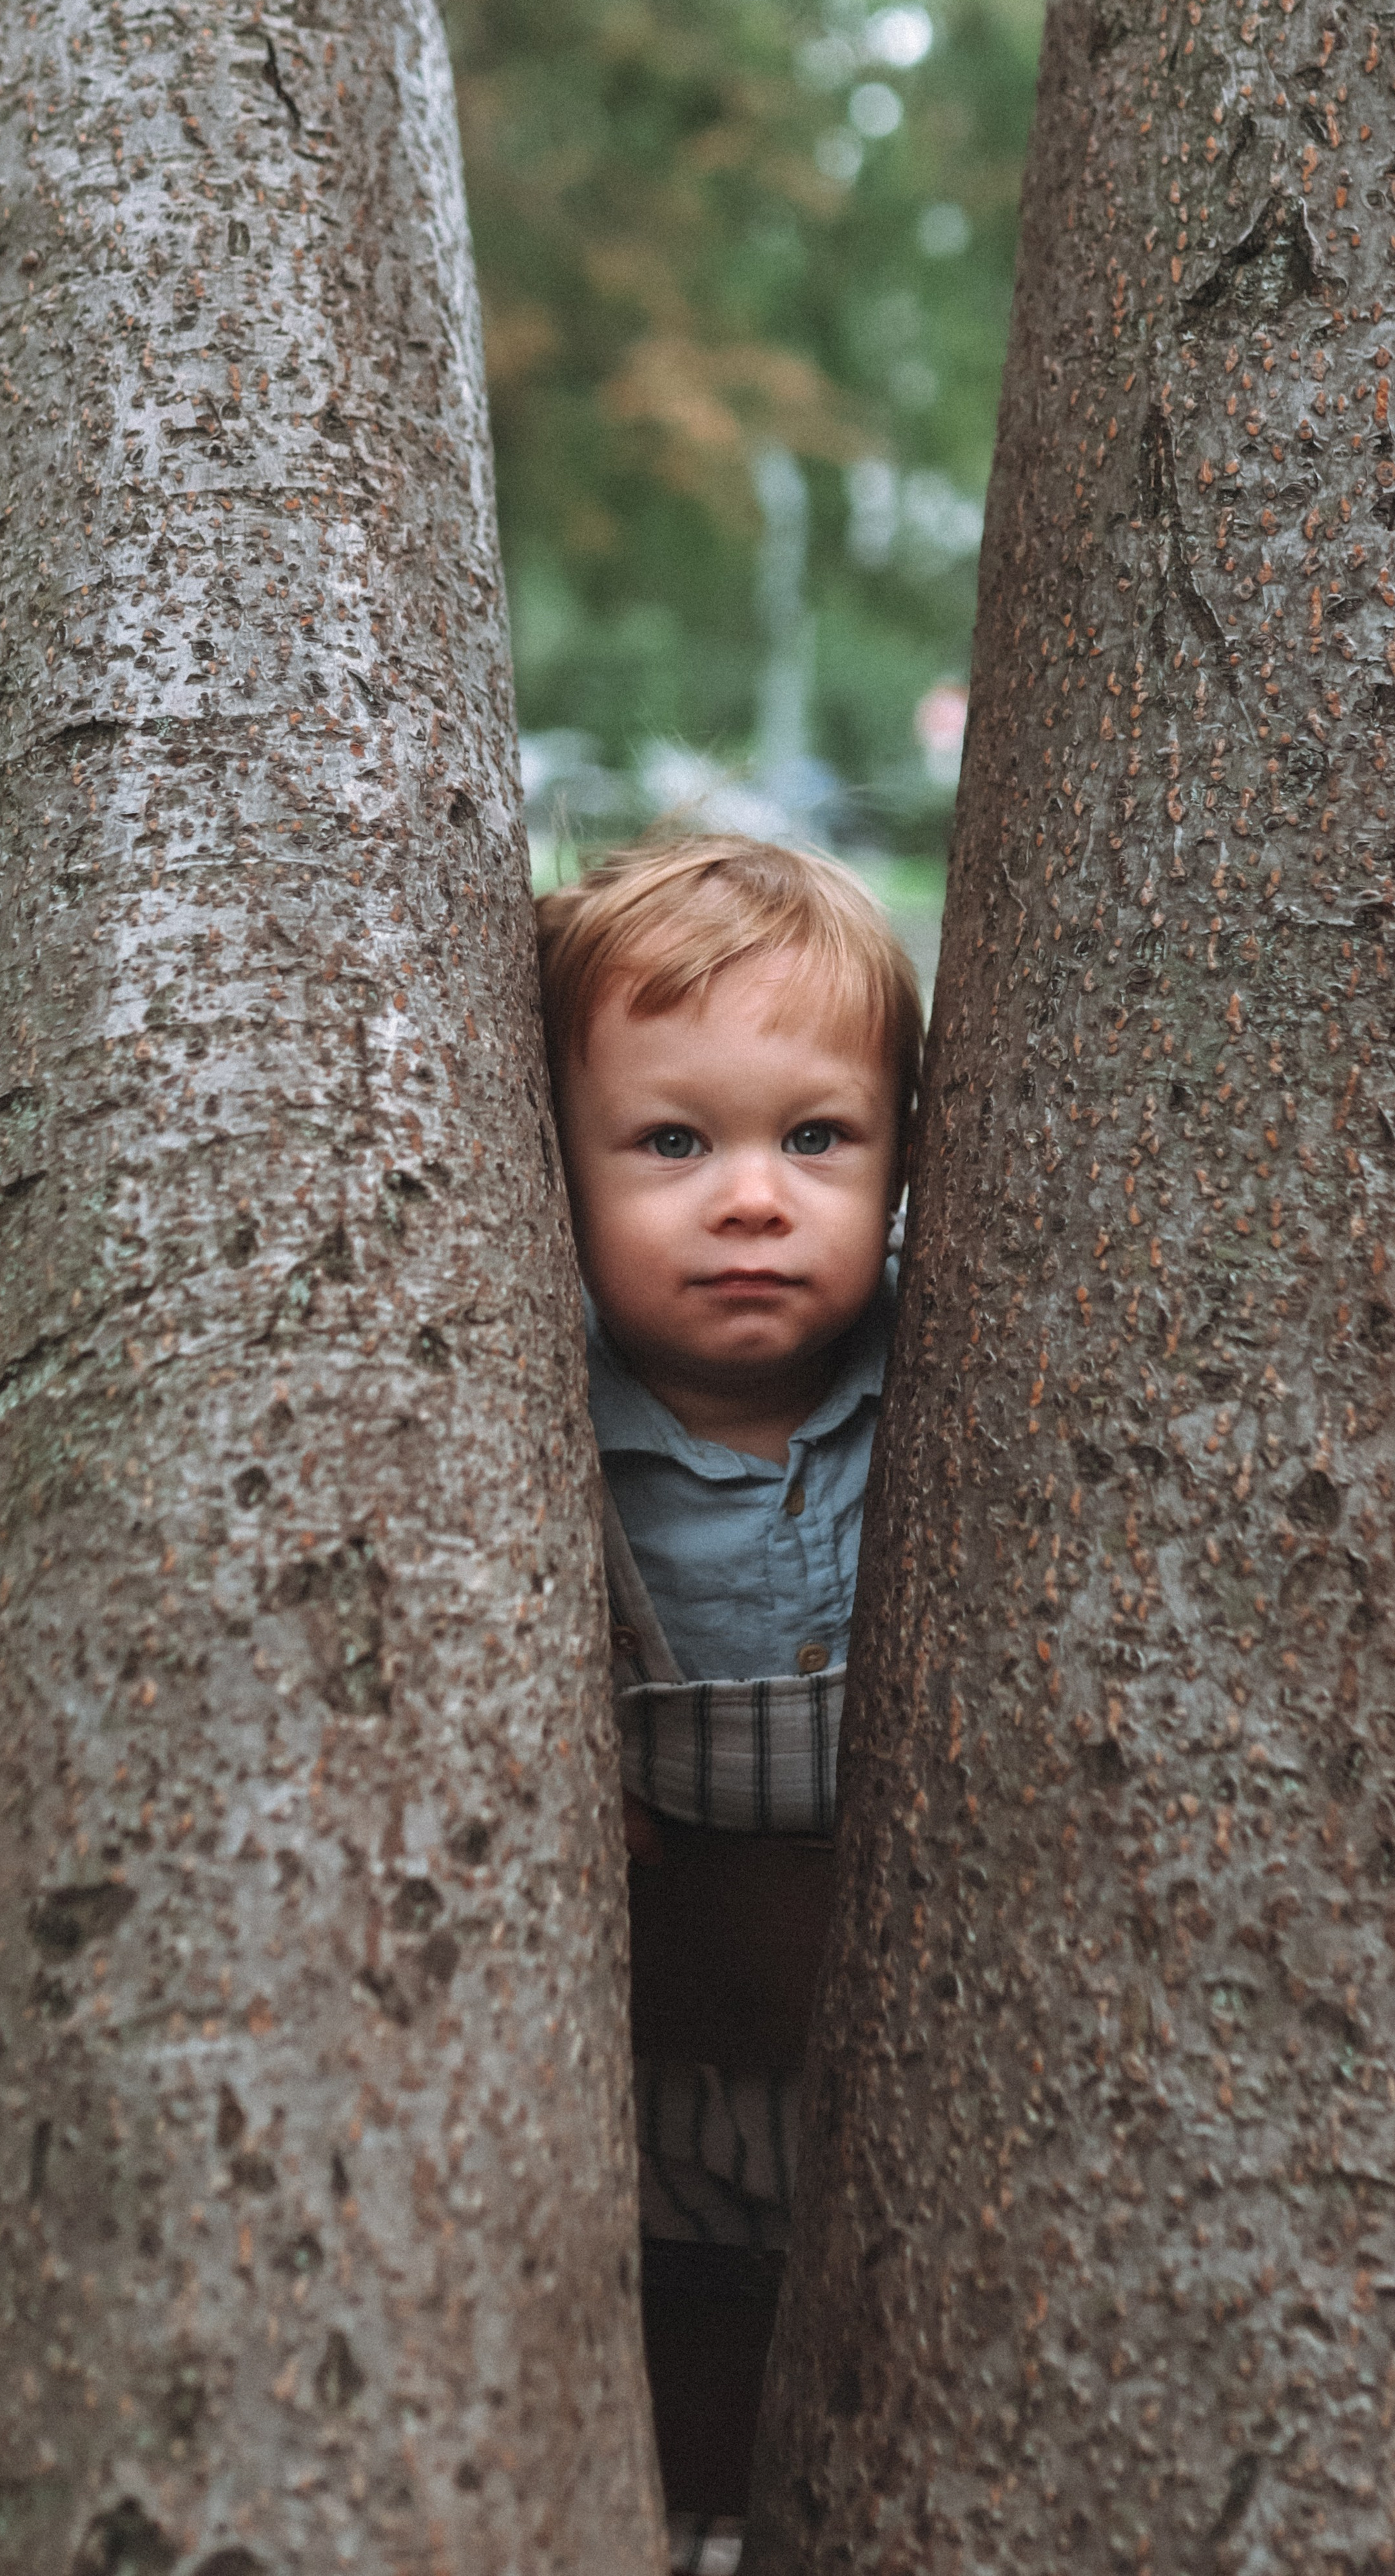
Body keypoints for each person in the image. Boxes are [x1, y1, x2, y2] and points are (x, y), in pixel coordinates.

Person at [536, 831, 923, 2520]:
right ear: (551, 1166)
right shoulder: (539, 1441)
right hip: (651, 2113)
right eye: (671, 1141)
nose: (751, 1196)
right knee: (682, 2432)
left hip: (926, 2089)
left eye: (816, 1138)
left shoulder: (954, 1382)